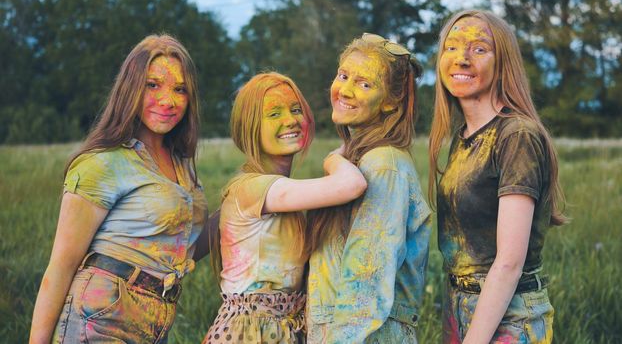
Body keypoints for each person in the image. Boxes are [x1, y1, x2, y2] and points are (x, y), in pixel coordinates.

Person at [29, 34, 208, 343]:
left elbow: (183, 248)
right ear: (131, 88)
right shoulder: (103, 163)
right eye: (153, 85)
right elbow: (61, 266)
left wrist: (250, 202)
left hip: (156, 319)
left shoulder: (183, 165)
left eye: (180, 89)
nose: (168, 100)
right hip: (101, 317)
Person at [428, 10, 567, 343]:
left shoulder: (516, 135)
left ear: (503, 62)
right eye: (452, 47)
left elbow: (508, 263)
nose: (461, 58)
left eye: (479, 48)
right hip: (459, 305)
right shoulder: (462, 138)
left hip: (511, 314)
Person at [202, 72, 367, 344]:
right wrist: (333, 158)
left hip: (282, 329)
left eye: (295, 110)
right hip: (249, 333)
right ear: (250, 126)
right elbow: (352, 184)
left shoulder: (279, 195)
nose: (290, 120)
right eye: (274, 114)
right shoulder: (253, 188)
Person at [306, 33, 432, 343]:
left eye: (364, 84)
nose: (345, 90)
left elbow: (366, 282)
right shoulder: (356, 159)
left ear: (391, 101)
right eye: (343, 75)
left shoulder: (383, 166)